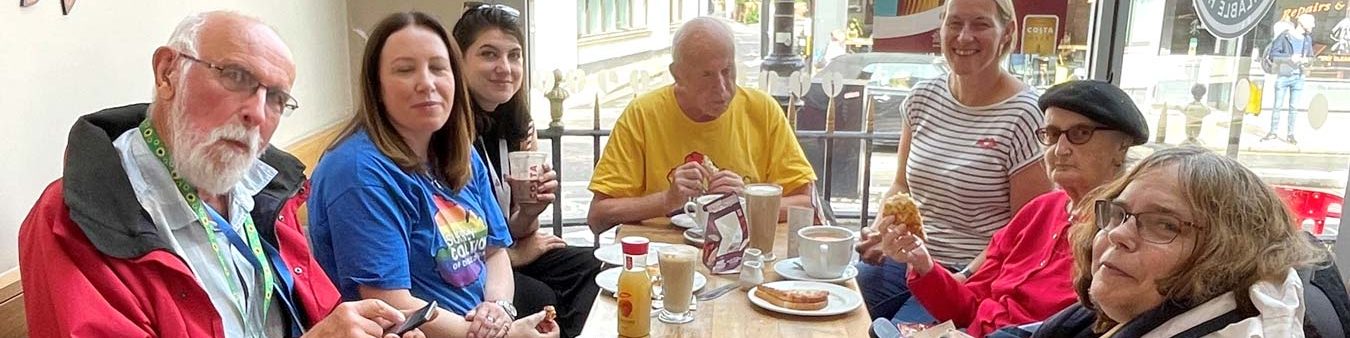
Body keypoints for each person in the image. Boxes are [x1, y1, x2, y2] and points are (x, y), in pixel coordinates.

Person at [18, 11, 429, 338]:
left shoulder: (266, 193)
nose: (256, 112)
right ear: (167, 73)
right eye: (236, 77)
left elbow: (319, 314)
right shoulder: (72, 221)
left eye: (277, 99)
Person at [308, 12, 557, 338]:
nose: (426, 83)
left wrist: (498, 309)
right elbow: (390, 304)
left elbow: (494, 252)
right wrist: (504, 336)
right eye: (405, 69)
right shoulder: (358, 171)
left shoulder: (460, 151)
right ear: (377, 86)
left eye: (439, 68)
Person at [877, 80, 1149, 336]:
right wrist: (922, 263)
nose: (1060, 149)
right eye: (1052, 135)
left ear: (1121, 148)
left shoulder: (1120, 235)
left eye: (1080, 134)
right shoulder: (1038, 210)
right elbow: (968, 306)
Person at [855, 0, 1053, 322]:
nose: (963, 37)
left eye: (980, 24)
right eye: (955, 23)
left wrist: (956, 277)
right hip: (903, 260)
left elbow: (1025, 231)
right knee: (835, 312)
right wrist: (880, 232)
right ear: (941, 27)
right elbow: (901, 184)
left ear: (1007, 32)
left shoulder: (1027, 115)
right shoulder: (922, 98)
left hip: (966, 276)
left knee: (899, 332)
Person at [1033, 146, 1329, 337]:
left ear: (1226, 256)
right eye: (1118, 212)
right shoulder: (1119, 311)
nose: (1117, 234)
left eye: (1164, 225)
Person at [587, 17, 817, 233]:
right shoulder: (643, 115)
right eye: (706, 76)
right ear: (678, 75)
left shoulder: (761, 109)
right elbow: (598, 216)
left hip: (746, 257)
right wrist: (667, 200)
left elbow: (807, 203)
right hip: (661, 258)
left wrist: (749, 201)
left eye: (727, 71)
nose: (722, 88)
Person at [452, 4, 601, 337]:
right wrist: (517, 254)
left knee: (597, 266)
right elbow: (460, 241)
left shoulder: (518, 127)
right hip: (474, 266)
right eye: (489, 54)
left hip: (505, 252)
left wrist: (531, 211)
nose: (505, 68)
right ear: (458, 61)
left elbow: (518, 228)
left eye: (514, 56)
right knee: (540, 297)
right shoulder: (449, 136)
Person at [1265, 14, 1316, 145]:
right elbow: (1273, 54)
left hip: (1299, 76)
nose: (1314, 26)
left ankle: (1290, 134)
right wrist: (1289, 58)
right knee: (1277, 105)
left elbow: (1311, 57)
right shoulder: (1285, 36)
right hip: (1284, 75)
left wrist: (1307, 60)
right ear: (1302, 23)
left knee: (1294, 107)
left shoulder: (1307, 39)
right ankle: (1273, 132)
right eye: (1311, 23)